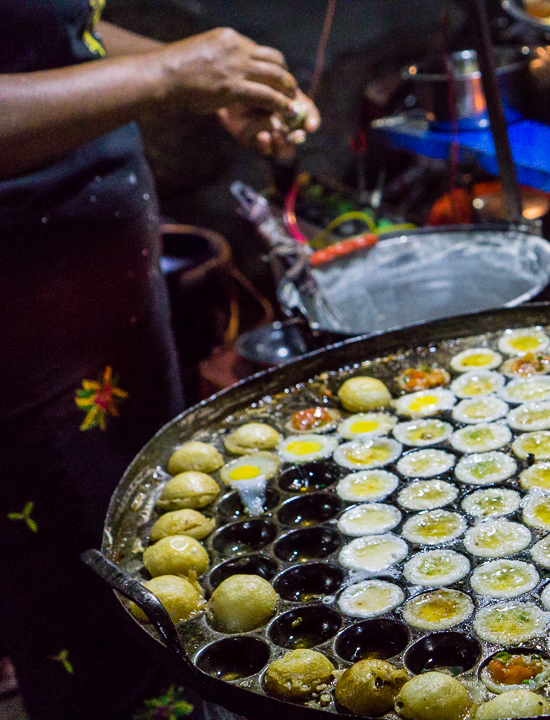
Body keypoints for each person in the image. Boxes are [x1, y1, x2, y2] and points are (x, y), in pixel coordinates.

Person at [0, 2, 319, 718]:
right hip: (18, 317)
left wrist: (213, 76)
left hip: (97, 283)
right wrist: (169, 73)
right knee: (85, 608)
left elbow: (49, 31)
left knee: (147, 550)